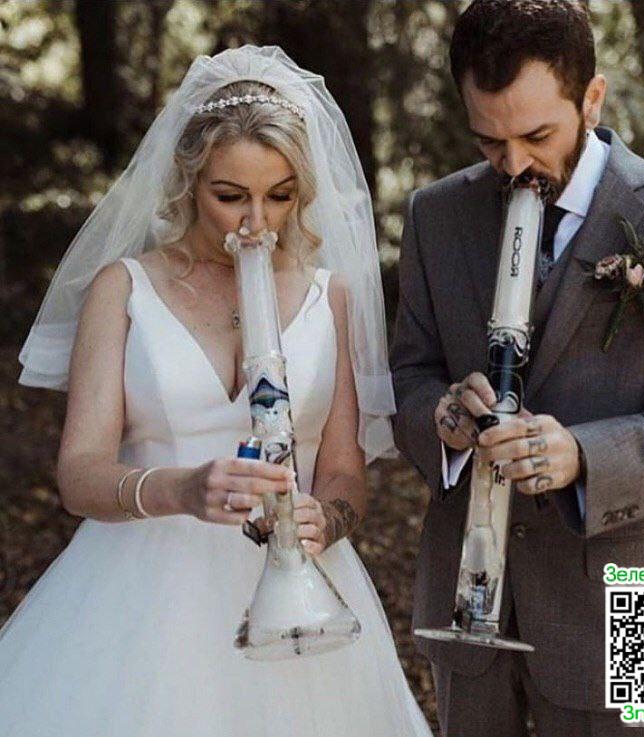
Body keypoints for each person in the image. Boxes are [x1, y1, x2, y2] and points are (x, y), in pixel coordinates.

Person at [0, 45, 432, 737]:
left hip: (302, 594)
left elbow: (344, 472)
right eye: (230, 196)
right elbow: (78, 473)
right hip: (141, 593)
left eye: (280, 196)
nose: (257, 221)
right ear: (187, 181)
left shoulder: (333, 297)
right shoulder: (124, 289)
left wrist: (329, 518)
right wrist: (181, 488)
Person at [390, 1, 644, 736]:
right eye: (488, 139)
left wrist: (581, 456)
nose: (513, 163)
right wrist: (444, 419)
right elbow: (406, 377)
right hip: (467, 601)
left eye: (537, 136)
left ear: (593, 98)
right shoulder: (435, 214)